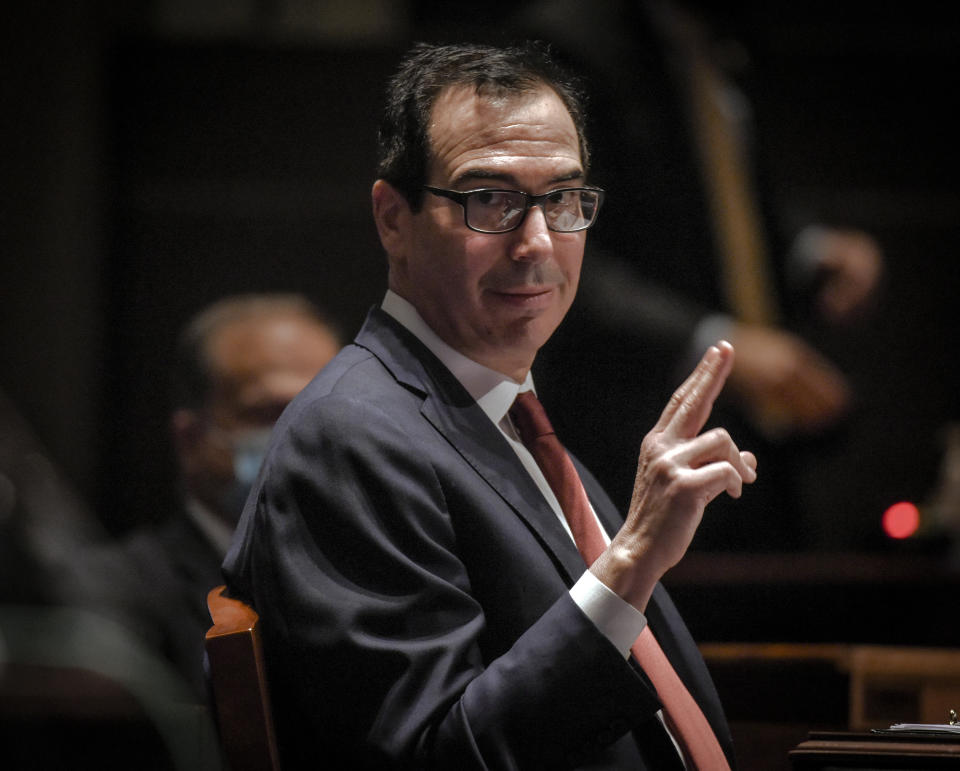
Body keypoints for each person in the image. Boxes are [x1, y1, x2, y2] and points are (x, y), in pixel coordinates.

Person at [224, 41, 757, 769]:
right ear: (393, 217)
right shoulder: (351, 439)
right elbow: (436, 756)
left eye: (565, 200)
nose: (538, 242)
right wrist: (629, 562)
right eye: (490, 201)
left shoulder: (503, 415)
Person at [498, 0, 886, 549]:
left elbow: (719, 199)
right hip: (625, 433)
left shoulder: (714, 36)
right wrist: (717, 344)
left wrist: (809, 248)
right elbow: (557, 256)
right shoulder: (568, 41)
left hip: (752, 436)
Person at [123, 293, 341, 699]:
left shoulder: (383, 577)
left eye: (321, 410)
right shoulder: (121, 596)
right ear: (190, 440)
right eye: (269, 413)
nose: (303, 435)